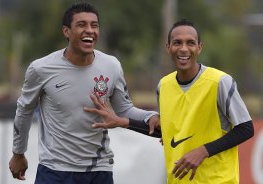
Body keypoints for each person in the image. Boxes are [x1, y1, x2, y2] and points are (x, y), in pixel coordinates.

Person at [86, 19, 254, 184]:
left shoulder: (220, 82)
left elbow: (246, 128)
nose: (183, 49)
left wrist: (203, 151)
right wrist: (122, 122)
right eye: (177, 43)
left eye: (190, 43)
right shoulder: (164, 86)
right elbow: (168, 133)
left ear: (199, 47)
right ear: (168, 47)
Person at [8, 2, 160, 184]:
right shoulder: (41, 69)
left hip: (98, 169)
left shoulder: (111, 66)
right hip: (55, 170)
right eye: (81, 25)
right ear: (66, 31)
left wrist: (149, 116)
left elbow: (124, 109)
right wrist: (18, 153)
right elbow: (24, 111)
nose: (89, 30)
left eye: (94, 25)